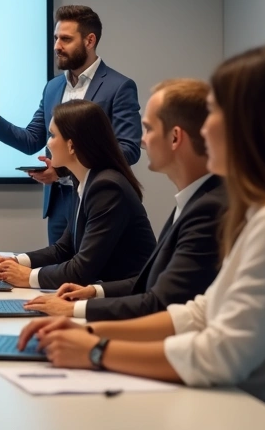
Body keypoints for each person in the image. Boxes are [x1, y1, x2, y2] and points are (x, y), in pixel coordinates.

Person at [18, 46, 265, 430]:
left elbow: (218, 355)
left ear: (251, 126)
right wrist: (87, 330)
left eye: (215, 112)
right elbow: (199, 313)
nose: (203, 128)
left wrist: (97, 349)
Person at [24, 79, 226, 320]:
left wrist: (83, 324)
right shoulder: (191, 201)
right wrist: (94, 292)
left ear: (174, 138)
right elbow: (150, 285)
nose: (141, 140)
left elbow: (160, 304)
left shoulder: (206, 208)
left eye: (149, 129)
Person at [0, 5, 142, 244]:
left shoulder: (119, 87)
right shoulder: (53, 87)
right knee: (57, 274)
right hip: (58, 204)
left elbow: (128, 149)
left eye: (66, 39)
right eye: (56, 38)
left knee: (89, 276)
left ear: (90, 40)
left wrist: (63, 170)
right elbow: (31, 140)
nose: (57, 46)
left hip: (99, 201)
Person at [0, 100, 156, 290]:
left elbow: (81, 271)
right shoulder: (85, 180)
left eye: (52, 135)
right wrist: (14, 262)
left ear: (71, 146)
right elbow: (64, 249)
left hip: (129, 300)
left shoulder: (107, 187)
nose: (47, 142)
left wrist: (28, 277)